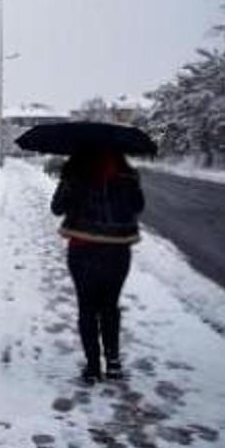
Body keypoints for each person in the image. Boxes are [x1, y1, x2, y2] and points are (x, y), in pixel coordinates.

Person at [51, 149, 145, 384]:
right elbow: (138, 206)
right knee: (110, 306)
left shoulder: (75, 174)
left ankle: (93, 368)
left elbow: (57, 208)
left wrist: (67, 184)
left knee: (87, 308)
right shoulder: (128, 174)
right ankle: (113, 363)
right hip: (118, 250)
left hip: (83, 249)